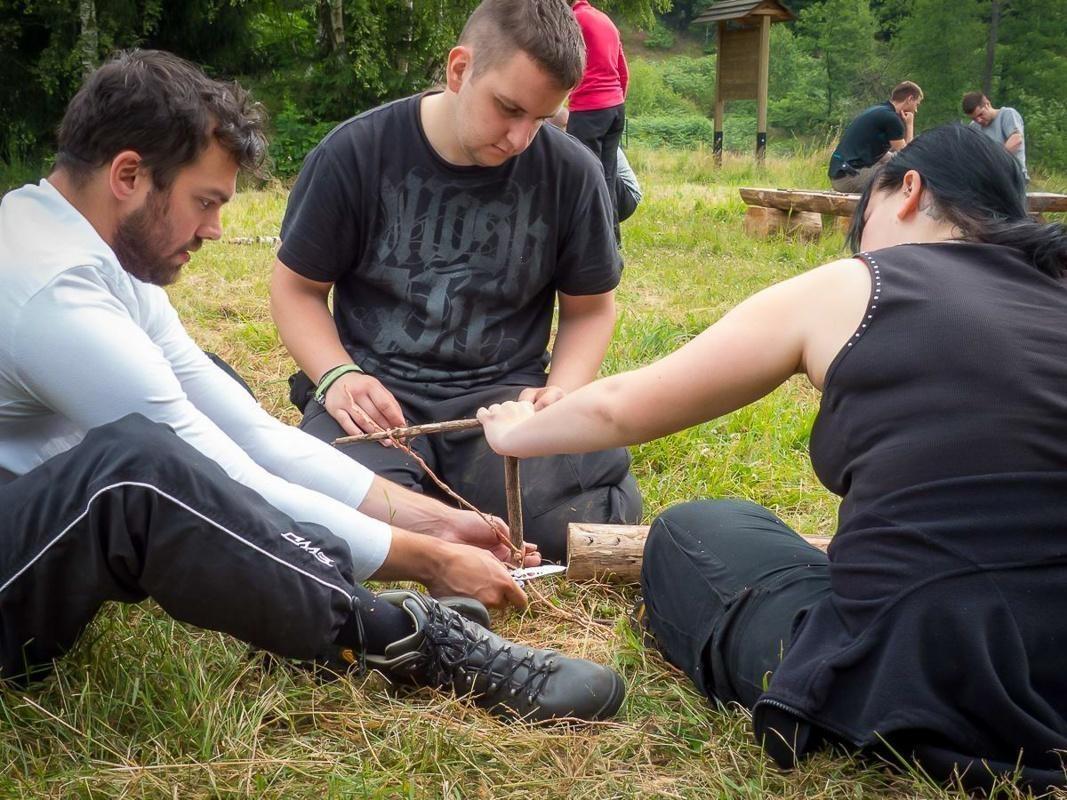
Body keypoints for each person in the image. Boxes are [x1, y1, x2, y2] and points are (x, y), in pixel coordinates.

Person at [0, 50, 626, 723]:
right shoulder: (47, 283)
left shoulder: (91, 251)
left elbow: (249, 434)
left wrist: (438, 521)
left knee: (201, 395)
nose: (214, 230)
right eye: (205, 202)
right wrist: (430, 561)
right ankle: (407, 640)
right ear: (128, 175)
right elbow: (217, 471)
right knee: (141, 471)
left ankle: (301, 581)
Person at [479, 124, 1067, 790]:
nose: (861, 241)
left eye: (863, 218)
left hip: (921, 676)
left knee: (694, 530)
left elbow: (620, 407)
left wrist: (514, 433)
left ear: (908, 189)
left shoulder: (863, 286)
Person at [270, 0, 642, 564]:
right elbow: (295, 288)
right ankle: (424, 514)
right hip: (376, 399)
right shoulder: (355, 153)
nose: (519, 138)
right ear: (459, 68)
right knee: (326, 515)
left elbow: (590, 308)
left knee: (575, 519)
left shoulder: (573, 172)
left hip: (502, 406)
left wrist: (559, 395)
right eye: (508, 108)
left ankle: (443, 508)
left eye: (542, 119)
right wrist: (337, 375)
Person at [567, 0, 629, 232]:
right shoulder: (606, 21)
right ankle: (612, 241)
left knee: (582, 176)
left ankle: (586, 239)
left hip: (588, 109)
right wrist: (615, 100)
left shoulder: (572, 20)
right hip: (615, 107)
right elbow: (623, 72)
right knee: (607, 177)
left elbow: (559, 60)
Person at [548, 106, 642, 222]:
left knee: (584, 169)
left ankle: (598, 224)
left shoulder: (587, 136)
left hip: (627, 194)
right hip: (614, 188)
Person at [828, 81, 923, 193]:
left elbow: (885, 155)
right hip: (848, 178)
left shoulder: (879, 110)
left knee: (893, 160)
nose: (916, 110)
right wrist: (910, 124)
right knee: (904, 177)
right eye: (917, 104)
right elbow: (907, 156)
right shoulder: (891, 119)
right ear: (910, 99)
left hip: (840, 174)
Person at [962, 91, 1028, 181]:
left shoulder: (1007, 114)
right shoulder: (974, 127)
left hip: (1013, 177)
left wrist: (993, 161)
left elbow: (1017, 140)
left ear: (987, 104)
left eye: (980, 114)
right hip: (989, 180)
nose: (979, 120)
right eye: (974, 118)